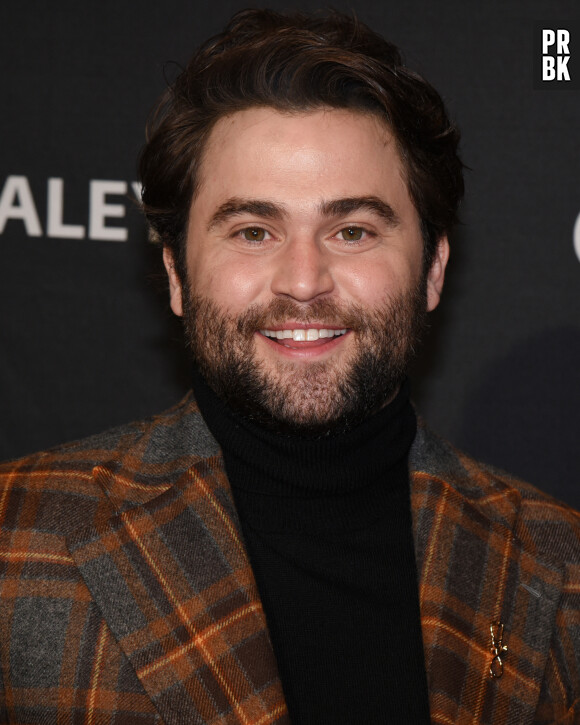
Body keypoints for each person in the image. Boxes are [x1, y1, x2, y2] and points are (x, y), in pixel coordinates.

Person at [0, 9, 578, 725]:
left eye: (353, 230)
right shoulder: (17, 542)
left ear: (433, 269)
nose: (303, 280)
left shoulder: (560, 565)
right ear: (177, 273)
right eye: (253, 230)